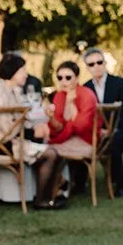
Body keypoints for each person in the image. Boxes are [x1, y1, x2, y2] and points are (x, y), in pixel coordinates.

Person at [0, 52, 60, 207]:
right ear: (12, 72)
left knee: (52, 150)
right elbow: (5, 128)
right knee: (51, 154)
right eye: (22, 71)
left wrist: (35, 128)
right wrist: (32, 132)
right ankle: (42, 200)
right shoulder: (0, 93)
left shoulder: (10, 90)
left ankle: (49, 195)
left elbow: (17, 120)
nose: (26, 75)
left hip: (8, 140)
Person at [36, 60, 97, 205]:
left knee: (48, 151)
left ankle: (55, 188)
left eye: (68, 77)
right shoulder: (59, 95)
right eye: (60, 77)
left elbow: (82, 126)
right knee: (45, 150)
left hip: (85, 138)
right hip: (67, 137)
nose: (63, 81)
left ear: (77, 78)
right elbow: (58, 128)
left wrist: (70, 104)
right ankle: (57, 186)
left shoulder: (87, 95)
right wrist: (51, 117)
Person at [82, 48, 123, 197]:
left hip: (122, 129)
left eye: (99, 62)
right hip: (97, 132)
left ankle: (120, 186)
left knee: (114, 139)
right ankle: (79, 183)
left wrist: (110, 129)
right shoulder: (85, 88)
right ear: (87, 67)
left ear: (105, 63)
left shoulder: (119, 83)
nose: (96, 66)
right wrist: (99, 130)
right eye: (92, 64)